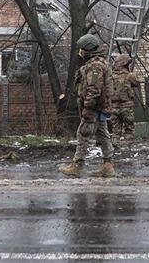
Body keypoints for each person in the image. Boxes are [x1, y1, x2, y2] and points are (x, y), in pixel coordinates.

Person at [59, 33, 115, 178]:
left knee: (83, 134)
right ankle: (108, 165)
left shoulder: (95, 65)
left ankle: (77, 165)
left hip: (94, 107)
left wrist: (87, 107)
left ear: (87, 49)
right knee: (103, 135)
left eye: (82, 48)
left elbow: (94, 89)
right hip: (100, 107)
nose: (80, 52)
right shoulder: (100, 62)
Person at [108, 53, 140, 141]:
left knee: (115, 131)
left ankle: (115, 147)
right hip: (127, 106)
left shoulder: (110, 76)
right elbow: (137, 83)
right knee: (129, 129)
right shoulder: (129, 75)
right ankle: (127, 148)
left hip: (113, 107)